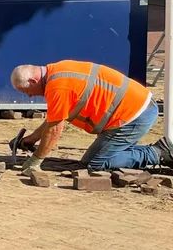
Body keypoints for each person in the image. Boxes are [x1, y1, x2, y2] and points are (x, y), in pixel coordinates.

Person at [9, 61, 171, 174]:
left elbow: (54, 130)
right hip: (133, 110)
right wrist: (31, 139)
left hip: (134, 116)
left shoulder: (58, 87)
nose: (29, 96)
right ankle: (152, 151)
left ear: (33, 80)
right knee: (94, 159)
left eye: (26, 91)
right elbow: (54, 119)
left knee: (96, 164)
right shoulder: (57, 71)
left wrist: (36, 160)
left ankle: (157, 153)